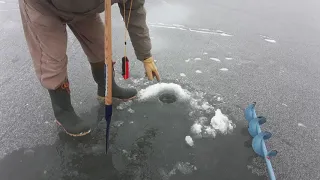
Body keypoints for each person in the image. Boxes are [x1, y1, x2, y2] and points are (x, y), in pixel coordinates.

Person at [18, 0, 160, 137]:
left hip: (84, 8)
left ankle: (107, 88)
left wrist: (146, 55)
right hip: (43, 7)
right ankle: (63, 110)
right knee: (52, 57)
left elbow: (134, 12)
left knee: (100, 47)